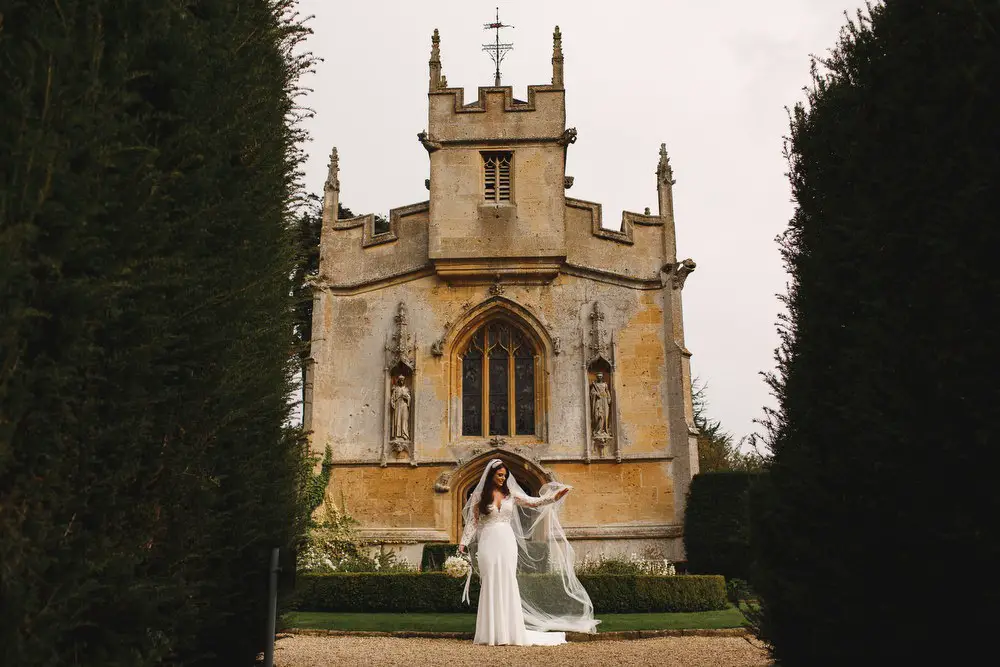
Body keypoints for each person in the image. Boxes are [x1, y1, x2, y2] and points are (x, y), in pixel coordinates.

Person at [457, 458, 599, 645]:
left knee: (507, 580)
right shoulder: (479, 497)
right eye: (500, 475)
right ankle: (489, 633)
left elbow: (535, 502)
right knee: (490, 581)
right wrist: (462, 543)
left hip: (507, 541)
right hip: (488, 542)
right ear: (491, 475)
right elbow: (473, 523)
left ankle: (511, 632)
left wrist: (554, 497)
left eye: (505, 476)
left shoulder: (511, 495)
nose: (503, 478)